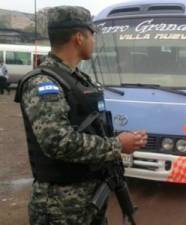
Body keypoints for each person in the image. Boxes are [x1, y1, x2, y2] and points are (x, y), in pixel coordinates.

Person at [14, 6, 147, 225]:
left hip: (87, 203)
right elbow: (58, 142)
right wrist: (116, 145)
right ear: (79, 37)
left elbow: (89, 125)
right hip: (60, 208)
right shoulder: (43, 83)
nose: (94, 41)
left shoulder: (81, 80)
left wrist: (120, 138)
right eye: (92, 34)